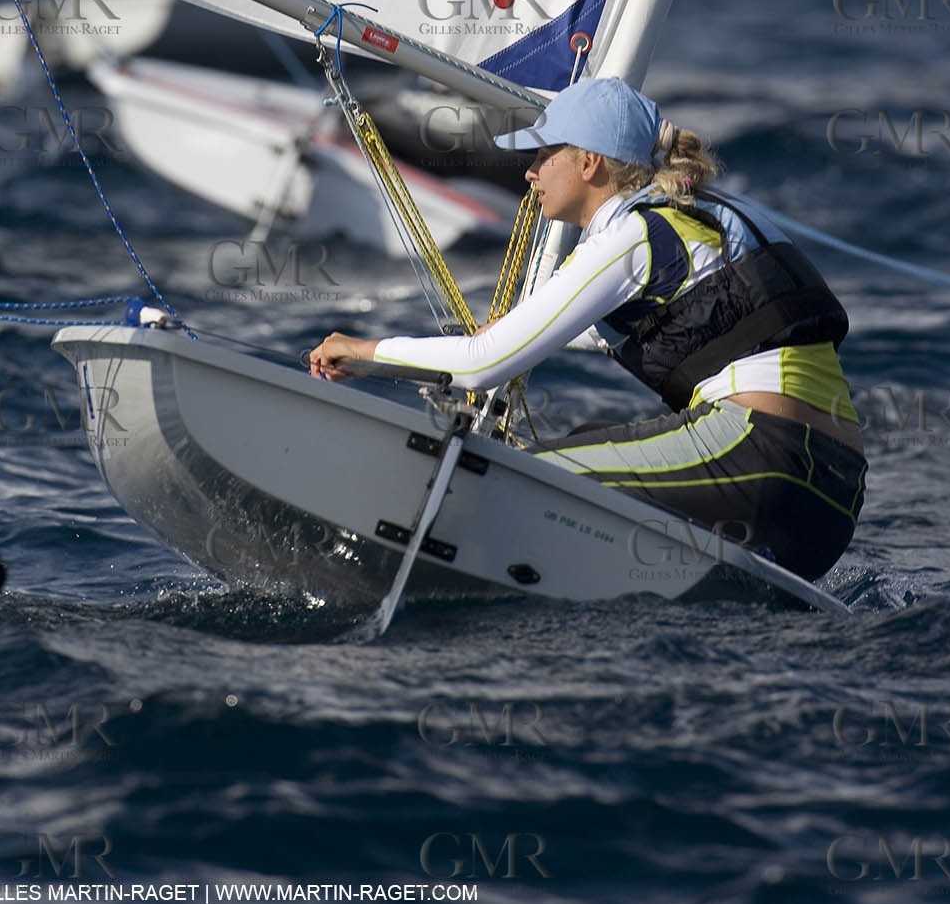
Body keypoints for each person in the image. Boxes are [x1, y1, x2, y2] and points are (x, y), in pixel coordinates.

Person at [309, 77, 867, 581]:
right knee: (583, 440)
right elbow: (673, 319)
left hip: (759, 455)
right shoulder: (705, 213)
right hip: (830, 503)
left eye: (544, 155)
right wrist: (516, 330)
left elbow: (482, 365)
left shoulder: (629, 237)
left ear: (589, 163)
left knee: (500, 477)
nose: (529, 173)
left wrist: (362, 353)